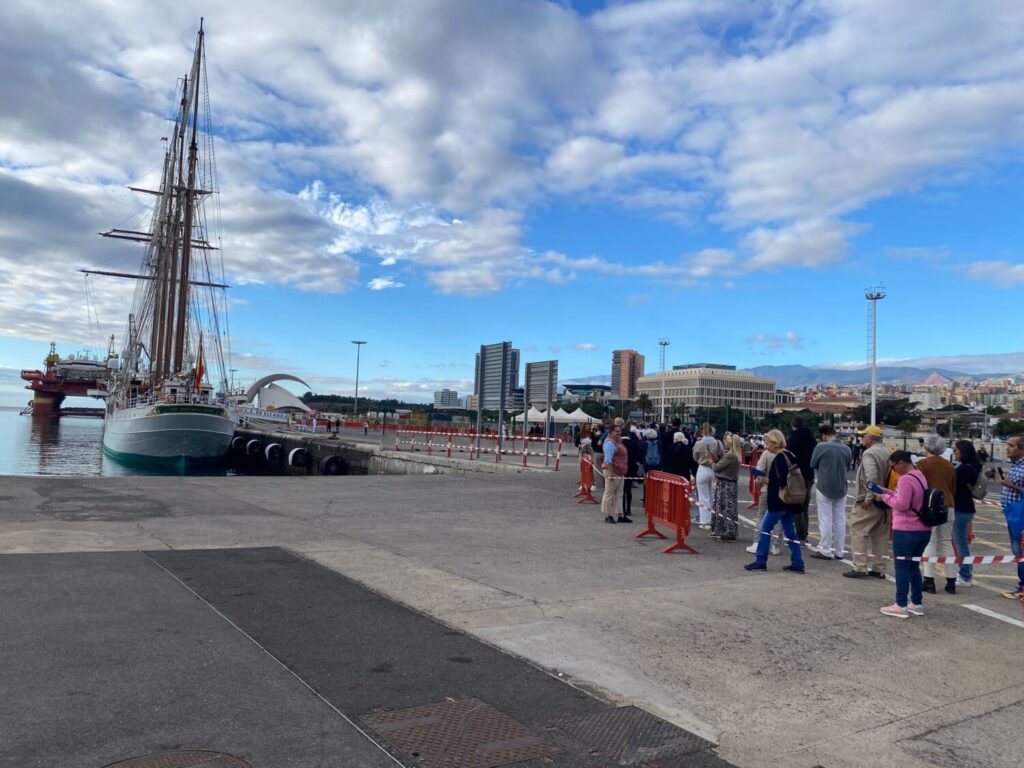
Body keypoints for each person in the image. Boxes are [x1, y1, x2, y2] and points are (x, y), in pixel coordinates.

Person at [876, 450, 932, 618]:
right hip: (923, 529)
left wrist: (883, 498)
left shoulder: (905, 479)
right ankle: (916, 602)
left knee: (901, 566)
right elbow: (910, 499)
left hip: (906, 529)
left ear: (901, 462)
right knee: (914, 566)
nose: (893, 470)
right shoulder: (919, 475)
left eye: (893, 467)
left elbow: (902, 505)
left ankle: (900, 604)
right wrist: (887, 492)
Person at [744, 428, 805, 573]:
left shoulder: (779, 458)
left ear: (775, 442)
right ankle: (798, 562)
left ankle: (760, 560)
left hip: (779, 499)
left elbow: (780, 481)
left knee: (765, 528)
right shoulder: (790, 455)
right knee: (790, 532)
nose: (766, 445)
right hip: (791, 499)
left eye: (767, 442)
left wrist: (765, 480)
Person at [845, 425, 890, 580]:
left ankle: (860, 566)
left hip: (870, 499)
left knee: (857, 530)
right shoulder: (886, 451)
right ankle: (879, 568)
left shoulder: (869, 453)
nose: (862, 439)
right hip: (885, 500)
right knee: (880, 535)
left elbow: (871, 478)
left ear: (870, 438)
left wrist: (868, 498)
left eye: (864, 436)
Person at [917, 434, 957, 594]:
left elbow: (919, 486)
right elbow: (953, 487)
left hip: (930, 505)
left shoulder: (923, 464)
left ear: (926, 446)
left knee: (931, 541)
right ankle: (951, 580)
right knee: (946, 542)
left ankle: (929, 580)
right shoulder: (949, 465)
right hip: (949, 504)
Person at [810, 424, 852, 560]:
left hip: (824, 485)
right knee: (840, 519)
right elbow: (848, 464)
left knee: (825, 519)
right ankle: (839, 550)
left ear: (824, 435)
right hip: (842, 486)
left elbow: (813, 463)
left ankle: (825, 549)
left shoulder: (821, 446)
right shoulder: (846, 448)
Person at [951, 440, 981, 588]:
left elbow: (954, 485)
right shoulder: (969, 467)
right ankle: (966, 571)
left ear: (963, 452)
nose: (953, 452)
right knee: (960, 542)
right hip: (965, 507)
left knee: (960, 543)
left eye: (956, 450)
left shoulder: (965, 469)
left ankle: (965, 575)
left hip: (961, 508)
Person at [997, 435, 1024, 600]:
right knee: (1017, 552)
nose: (1007, 448)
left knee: (1020, 551)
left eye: (1011, 445)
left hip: (1020, 516)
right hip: (1012, 514)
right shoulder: (1015, 465)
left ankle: (1022, 587)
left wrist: (1011, 485)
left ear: (1021, 448)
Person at [746, 433, 781, 555]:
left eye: (767, 443)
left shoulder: (766, 454)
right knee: (778, 519)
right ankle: (775, 545)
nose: (765, 446)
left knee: (761, 516)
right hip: (781, 491)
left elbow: (759, 473)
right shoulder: (786, 454)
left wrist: (758, 485)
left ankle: (757, 542)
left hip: (767, 489)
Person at [787, 416, 817, 545]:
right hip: (809, 473)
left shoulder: (793, 440)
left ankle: (800, 535)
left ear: (793, 425)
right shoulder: (812, 439)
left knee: (796, 505)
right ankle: (804, 533)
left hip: (796, 474)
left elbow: (789, 458)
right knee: (805, 505)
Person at [711, 434, 742, 541]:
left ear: (731, 443)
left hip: (725, 484)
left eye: (727, 441)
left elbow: (717, 467)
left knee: (725, 508)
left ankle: (727, 531)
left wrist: (711, 461)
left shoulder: (730, 455)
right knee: (729, 508)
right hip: (730, 484)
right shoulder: (735, 455)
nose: (725, 443)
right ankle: (725, 531)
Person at [692, 425, 723, 529]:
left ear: (702, 432)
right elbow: (722, 454)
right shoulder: (718, 443)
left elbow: (695, 457)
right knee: (712, 495)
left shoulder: (698, 443)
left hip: (702, 468)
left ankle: (705, 521)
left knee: (703, 496)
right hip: (714, 469)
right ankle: (713, 518)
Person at [601, 424, 629, 524]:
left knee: (619, 494)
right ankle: (608, 515)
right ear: (611, 432)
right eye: (616, 431)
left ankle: (620, 514)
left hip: (619, 471)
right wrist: (611, 473)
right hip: (612, 470)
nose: (618, 433)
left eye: (619, 431)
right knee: (609, 494)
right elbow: (608, 460)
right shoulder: (610, 443)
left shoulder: (616, 442)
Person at [621, 426, 645, 521]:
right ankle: (629, 509)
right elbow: (640, 457)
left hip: (621, 467)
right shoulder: (634, 443)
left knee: (621, 490)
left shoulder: (619, 444)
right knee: (628, 489)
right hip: (631, 468)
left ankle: (622, 509)